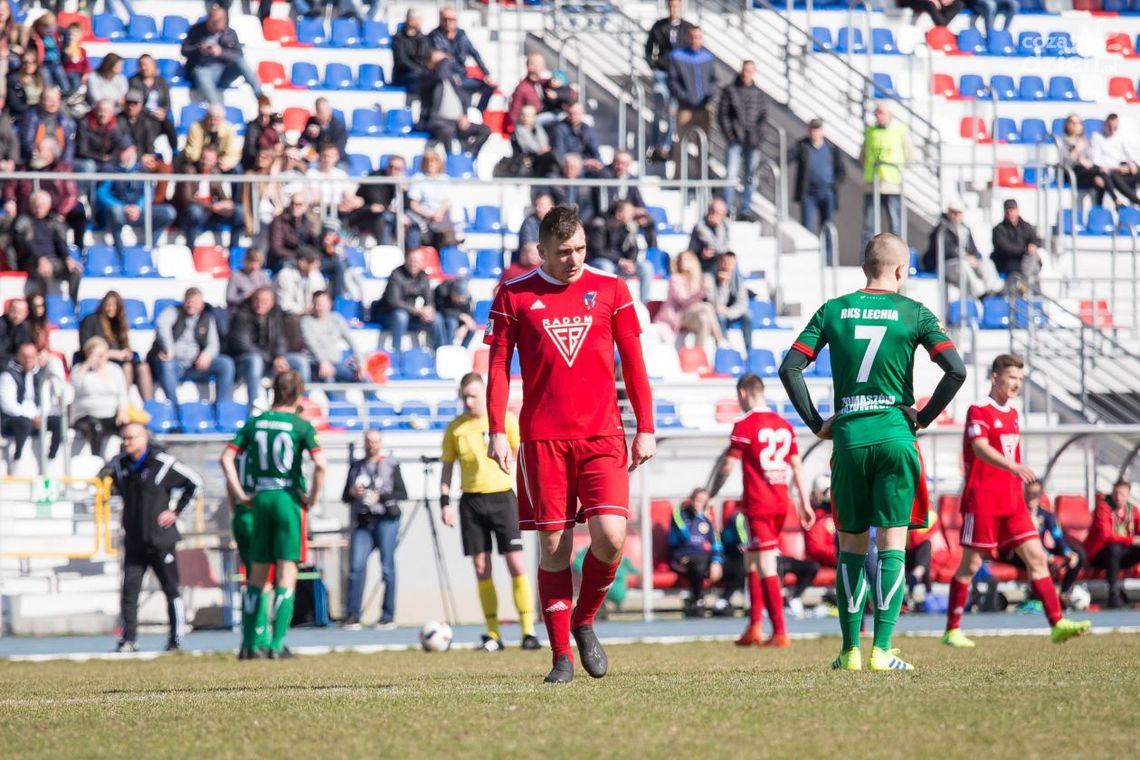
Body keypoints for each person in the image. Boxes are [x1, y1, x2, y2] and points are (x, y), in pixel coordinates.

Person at [779, 233, 969, 671]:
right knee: (892, 545)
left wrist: (817, 423)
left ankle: (850, 651)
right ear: (901, 270)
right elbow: (956, 371)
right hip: (895, 436)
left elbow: (790, 367)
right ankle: (882, 650)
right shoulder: (914, 312)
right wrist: (921, 417)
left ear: (865, 268)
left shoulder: (834, 309)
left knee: (850, 545)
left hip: (849, 438)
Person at [484, 205, 656, 683]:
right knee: (554, 547)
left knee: (612, 536)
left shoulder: (612, 290)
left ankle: (584, 619)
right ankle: (561, 656)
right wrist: (496, 429)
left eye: (580, 248)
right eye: (563, 252)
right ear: (541, 251)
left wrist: (646, 426)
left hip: (603, 435)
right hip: (544, 439)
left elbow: (634, 363)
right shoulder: (514, 294)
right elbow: (498, 366)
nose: (575, 259)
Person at [941, 354, 1091, 648]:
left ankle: (1057, 623)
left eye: (1020, 379)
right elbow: (980, 447)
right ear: (995, 376)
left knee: (1037, 557)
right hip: (983, 501)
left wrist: (1016, 477)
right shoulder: (979, 409)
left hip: (1012, 503)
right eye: (1012, 377)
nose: (1017, 383)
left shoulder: (1012, 413)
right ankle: (952, 629)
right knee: (970, 566)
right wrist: (1012, 466)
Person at [221, 371, 327, 658]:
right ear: (298, 394)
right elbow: (320, 464)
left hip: (259, 499)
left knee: (256, 574)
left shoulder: (255, 423)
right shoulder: (300, 425)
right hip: (287, 498)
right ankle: (276, 644)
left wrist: (241, 495)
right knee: (286, 572)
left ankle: (250, 644)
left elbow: (226, 458)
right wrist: (312, 497)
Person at [709, 374, 812, 647]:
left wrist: (711, 493)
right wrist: (804, 502)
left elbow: (728, 465)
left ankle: (780, 631)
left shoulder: (745, 424)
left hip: (760, 502)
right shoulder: (784, 424)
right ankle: (754, 626)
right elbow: (797, 466)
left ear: (743, 393)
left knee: (765, 562)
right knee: (752, 559)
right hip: (781, 501)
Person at [440, 373, 539, 651]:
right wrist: (445, 503)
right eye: (464, 396)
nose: (468, 401)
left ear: (484, 395)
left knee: (516, 563)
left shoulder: (505, 420)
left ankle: (528, 631)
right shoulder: (456, 428)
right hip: (471, 501)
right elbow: (447, 468)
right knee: (481, 567)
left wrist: (529, 492)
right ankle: (493, 634)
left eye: (473, 396)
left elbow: (521, 456)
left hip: (503, 497)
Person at [109, 423, 202, 653]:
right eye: (124, 438)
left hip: (161, 541)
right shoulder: (120, 465)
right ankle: (129, 639)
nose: (126, 443)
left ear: (144, 439)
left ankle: (176, 639)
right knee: (129, 592)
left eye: (131, 438)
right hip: (134, 541)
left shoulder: (162, 463)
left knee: (171, 590)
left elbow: (194, 483)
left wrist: (176, 512)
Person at [340, 428, 405, 630]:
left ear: (381, 443)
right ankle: (353, 615)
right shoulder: (356, 467)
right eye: (368, 441)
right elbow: (345, 496)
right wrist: (353, 492)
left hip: (386, 520)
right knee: (356, 568)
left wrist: (381, 497)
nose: (371, 445)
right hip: (363, 523)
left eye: (375, 441)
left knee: (387, 568)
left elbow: (402, 493)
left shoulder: (391, 465)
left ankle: (387, 616)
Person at [148, 288, 234, 414]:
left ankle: (221, 408)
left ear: (202, 305)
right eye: (188, 301)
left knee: (226, 364)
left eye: (195, 302)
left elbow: (213, 344)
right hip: (174, 363)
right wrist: (169, 349)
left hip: (195, 365)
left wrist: (206, 354)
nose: (191, 305)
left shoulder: (207, 318)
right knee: (166, 363)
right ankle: (174, 408)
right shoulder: (173, 311)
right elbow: (162, 326)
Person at [1002, 482, 1085, 605]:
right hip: (1018, 552)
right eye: (1028, 493)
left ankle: (1064, 593)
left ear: (1040, 495)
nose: (1031, 497)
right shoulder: (1017, 513)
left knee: (1078, 554)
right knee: (1037, 557)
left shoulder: (1045, 515)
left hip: (1040, 550)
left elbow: (1057, 535)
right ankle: (1038, 596)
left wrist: (1067, 552)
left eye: (1035, 494)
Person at [225, 287, 307, 406]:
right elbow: (243, 345)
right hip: (245, 362)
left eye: (264, 301)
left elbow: (281, 340)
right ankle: (254, 404)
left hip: (271, 360)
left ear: (272, 303)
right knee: (255, 360)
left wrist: (279, 357)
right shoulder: (241, 316)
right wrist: (272, 359)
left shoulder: (276, 317)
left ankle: (302, 402)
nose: (260, 304)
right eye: (257, 300)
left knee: (300, 361)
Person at [370, 247, 446, 372]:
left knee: (437, 319)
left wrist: (428, 311)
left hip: (410, 317)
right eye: (411, 260)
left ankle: (441, 356)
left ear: (421, 262)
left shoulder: (423, 277)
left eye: (417, 261)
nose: (413, 264)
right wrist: (418, 311)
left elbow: (429, 300)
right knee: (401, 316)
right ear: (406, 260)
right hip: (387, 315)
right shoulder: (396, 274)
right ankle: (396, 356)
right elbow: (393, 301)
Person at [96, 143, 179, 256]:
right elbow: (102, 193)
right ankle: (120, 253)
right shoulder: (111, 169)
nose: (122, 153)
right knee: (116, 212)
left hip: (138, 211)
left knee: (168, 212)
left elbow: (148, 193)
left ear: (133, 150)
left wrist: (139, 207)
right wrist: (124, 207)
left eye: (125, 150)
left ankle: (147, 250)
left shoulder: (141, 169)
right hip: (119, 212)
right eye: (120, 149)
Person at [180, 5, 263, 106]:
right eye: (214, 22)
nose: (217, 25)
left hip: (223, 71)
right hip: (203, 69)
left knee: (241, 62)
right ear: (209, 20)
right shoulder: (196, 30)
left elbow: (238, 55)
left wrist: (221, 52)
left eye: (220, 21)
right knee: (201, 73)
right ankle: (217, 107)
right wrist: (199, 49)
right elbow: (184, 51)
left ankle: (261, 97)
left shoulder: (230, 33)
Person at [78, 290, 152, 400]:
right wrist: (111, 354)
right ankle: (123, 403)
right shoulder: (90, 320)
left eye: (114, 305)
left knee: (143, 367)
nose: (111, 308)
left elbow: (123, 346)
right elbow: (86, 346)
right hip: (101, 361)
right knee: (127, 367)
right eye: (108, 305)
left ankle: (150, 404)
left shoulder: (118, 323)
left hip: (120, 361)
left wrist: (127, 354)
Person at [417, 50, 491, 158]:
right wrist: (444, 60)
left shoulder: (451, 80)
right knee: (447, 131)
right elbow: (440, 76)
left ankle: (469, 156)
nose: (445, 64)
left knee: (485, 130)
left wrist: (464, 116)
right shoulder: (428, 78)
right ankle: (451, 160)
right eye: (441, 62)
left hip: (456, 122)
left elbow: (462, 98)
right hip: (438, 123)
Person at [717, 60, 766, 221]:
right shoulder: (730, 90)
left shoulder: (758, 93)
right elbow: (723, 115)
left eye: (750, 71)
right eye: (745, 70)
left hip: (752, 142)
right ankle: (727, 209)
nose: (747, 74)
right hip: (735, 141)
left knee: (751, 177)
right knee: (731, 175)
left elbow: (762, 117)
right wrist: (731, 136)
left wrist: (758, 136)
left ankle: (745, 209)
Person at [645, 0, 692, 162]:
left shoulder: (687, 28)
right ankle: (653, 144)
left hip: (677, 76)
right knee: (659, 110)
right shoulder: (659, 26)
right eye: (671, 6)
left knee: (673, 113)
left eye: (676, 6)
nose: (674, 10)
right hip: (662, 72)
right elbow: (649, 47)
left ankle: (664, 147)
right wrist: (653, 65)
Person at [924, 200, 1003, 298]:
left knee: (987, 263)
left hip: (965, 261)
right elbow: (945, 250)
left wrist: (974, 258)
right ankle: (979, 292)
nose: (956, 215)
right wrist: (964, 257)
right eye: (954, 212)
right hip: (946, 264)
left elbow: (973, 249)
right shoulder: (941, 230)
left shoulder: (965, 229)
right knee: (963, 265)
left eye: (959, 213)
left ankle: (992, 290)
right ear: (948, 212)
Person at [0, 341, 63, 461]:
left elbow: (46, 400)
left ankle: (52, 457)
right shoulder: (8, 375)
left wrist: (40, 416)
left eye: (31, 357)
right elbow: (8, 405)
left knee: (58, 421)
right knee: (24, 423)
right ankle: (17, 457)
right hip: (16, 417)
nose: (28, 360)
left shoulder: (42, 375)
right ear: (18, 356)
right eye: (25, 356)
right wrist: (31, 416)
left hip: (37, 416)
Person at [668, 26, 717, 177]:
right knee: (680, 143)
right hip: (685, 109)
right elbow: (672, 81)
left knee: (703, 144)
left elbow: (713, 80)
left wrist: (709, 96)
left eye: (698, 37)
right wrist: (684, 96)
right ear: (688, 38)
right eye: (693, 37)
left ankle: (702, 178)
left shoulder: (707, 57)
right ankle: (678, 178)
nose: (696, 40)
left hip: (703, 108)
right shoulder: (678, 56)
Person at [792, 118, 845, 260]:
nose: (814, 133)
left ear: (822, 131)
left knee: (827, 226)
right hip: (808, 194)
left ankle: (828, 258)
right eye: (812, 129)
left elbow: (841, 170)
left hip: (827, 193)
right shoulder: (802, 146)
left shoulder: (831, 148)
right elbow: (788, 157)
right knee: (806, 226)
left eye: (817, 129)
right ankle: (807, 258)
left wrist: (834, 184)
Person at [12, 190, 80, 299]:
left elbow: (60, 241)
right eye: (36, 205)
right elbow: (25, 244)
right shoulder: (23, 221)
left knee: (75, 271)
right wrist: (40, 259)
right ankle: (48, 304)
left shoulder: (53, 221)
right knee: (45, 272)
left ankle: (72, 305)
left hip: (54, 260)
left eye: (42, 206)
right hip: (31, 261)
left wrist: (67, 258)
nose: (38, 209)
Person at [668, 487, 724, 617]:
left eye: (702, 501)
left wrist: (716, 561)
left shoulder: (707, 520)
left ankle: (723, 601)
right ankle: (698, 599)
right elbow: (686, 536)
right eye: (696, 499)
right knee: (700, 561)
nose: (697, 503)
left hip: (701, 557)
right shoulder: (680, 514)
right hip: (682, 556)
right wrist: (697, 517)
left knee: (735, 565)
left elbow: (716, 543)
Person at [70, 336, 129, 458]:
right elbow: (73, 386)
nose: (100, 358)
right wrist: (88, 364)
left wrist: (122, 411)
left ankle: (124, 461)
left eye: (102, 355)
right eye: (96, 355)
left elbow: (122, 394)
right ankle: (96, 460)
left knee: (130, 427)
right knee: (95, 427)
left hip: (110, 414)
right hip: (86, 416)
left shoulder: (115, 370)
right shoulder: (79, 370)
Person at [429, 5, 495, 112]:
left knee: (490, 86)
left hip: (463, 77)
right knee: (460, 91)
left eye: (451, 19)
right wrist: (451, 76)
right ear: (440, 19)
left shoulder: (462, 36)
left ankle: (477, 112)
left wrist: (486, 74)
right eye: (445, 19)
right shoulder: (434, 37)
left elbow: (475, 54)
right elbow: (436, 63)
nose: (448, 22)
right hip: (444, 80)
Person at [1085, 479, 1140, 608]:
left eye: (1122, 494)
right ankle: (1113, 592)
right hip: (1100, 555)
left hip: (1121, 555)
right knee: (1114, 548)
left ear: (1128, 495)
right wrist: (1132, 540)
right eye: (1116, 493)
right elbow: (1106, 537)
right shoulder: (1103, 508)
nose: (1118, 497)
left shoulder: (1132, 510)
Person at [586, 199, 654, 303]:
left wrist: (631, 262)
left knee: (646, 267)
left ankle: (645, 304)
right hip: (601, 262)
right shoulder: (600, 224)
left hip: (621, 265)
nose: (633, 215)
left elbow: (633, 249)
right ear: (619, 214)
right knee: (606, 267)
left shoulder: (628, 227)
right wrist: (620, 261)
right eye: (630, 212)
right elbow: (598, 250)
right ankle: (607, 303)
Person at [860, 103, 909, 245]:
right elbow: (863, 155)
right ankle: (867, 256)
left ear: (889, 114)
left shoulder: (899, 130)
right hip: (872, 184)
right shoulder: (870, 131)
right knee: (869, 227)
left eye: (881, 113)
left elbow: (909, 154)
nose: (878, 116)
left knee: (895, 226)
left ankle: (897, 254)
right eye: (876, 113)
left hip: (892, 184)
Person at [176, 145, 244, 246]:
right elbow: (187, 198)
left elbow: (221, 194)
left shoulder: (215, 173)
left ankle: (233, 249)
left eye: (209, 160)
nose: (205, 162)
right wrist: (211, 206)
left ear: (215, 161)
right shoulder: (189, 171)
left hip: (211, 212)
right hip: (195, 211)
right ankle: (190, 248)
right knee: (194, 211)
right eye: (203, 158)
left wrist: (226, 203)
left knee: (239, 212)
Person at [653, 249, 721, 347]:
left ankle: (698, 351)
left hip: (691, 315)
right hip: (678, 315)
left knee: (704, 319)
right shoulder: (675, 279)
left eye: (686, 259)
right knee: (707, 307)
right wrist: (701, 291)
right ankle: (719, 339)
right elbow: (684, 301)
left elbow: (707, 300)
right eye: (681, 259)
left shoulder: (697, 279)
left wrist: (707, 289)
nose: (682, 262)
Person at [300, 290, 365, 383]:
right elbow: (312, 345)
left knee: (363, 378)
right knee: (328, 377)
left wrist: (360, 363)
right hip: (315, 363)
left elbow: (351, 341)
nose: (318, 307)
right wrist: (323, 362)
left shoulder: (336, 319)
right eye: (315, 304)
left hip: (335, 364)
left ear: (329, 304)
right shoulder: (307, 321)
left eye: (321, 304)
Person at [595, 151, 656, 248]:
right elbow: (604, 205)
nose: (620, 166)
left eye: (624, 164)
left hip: (628, 214)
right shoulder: (605, 176)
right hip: (611, 215)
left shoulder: (631, 179)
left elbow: (639, 201)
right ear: (613, 162)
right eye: (617, 163)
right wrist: (627, 211)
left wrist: (642, 212)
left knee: (648, 219)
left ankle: (654, 252)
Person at [407, 150, 464, 248]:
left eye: (434, 161)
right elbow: (413, 204)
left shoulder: (445, 179)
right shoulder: (418, 178)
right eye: (428, 161)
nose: (431, 164)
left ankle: (457, 231)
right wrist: (429, 215)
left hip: (441, 216)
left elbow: (447, 201)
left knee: (455, 201)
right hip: (425, 217)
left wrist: (439, 213)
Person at [350, 156, 407, 246]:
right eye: (391, 166)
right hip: (366, 214)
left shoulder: (405, 182)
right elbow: (378, 204)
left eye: (397, 169)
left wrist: (404, 192)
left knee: (409, 222)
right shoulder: (376, 178)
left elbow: (407, 205)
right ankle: (384, 248)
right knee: (385, 218)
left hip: (391, 215)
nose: (393, 170)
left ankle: (407, 251)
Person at [1059, 114, 1113, 205]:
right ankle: (1114, 200)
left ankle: (1102, 205)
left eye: (1079, 123)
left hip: (1086, 171)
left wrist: (1086, 162)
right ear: (1067, 125)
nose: (1076, 126)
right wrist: (1076, 151)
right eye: (1073, 123)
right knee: (1101, 172)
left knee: (1100, 178)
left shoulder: (1084, 141)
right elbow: (1064, 164)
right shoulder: (1062, 141)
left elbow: (1090, 159)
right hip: (1071, 172)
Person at [991, 199, 1043, 290]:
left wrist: (1033, 245)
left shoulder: (1026, 226)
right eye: (1008, 211)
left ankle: (1029, 289)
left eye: (1012, 210)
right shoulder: (999, 229)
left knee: (1033, 259)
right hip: (1007, 261)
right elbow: (1005, 248)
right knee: (1024, 267)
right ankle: (1025, 288)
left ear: (1017, 210)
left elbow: (1037, 240)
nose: (1010, 213)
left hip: (1026, 260)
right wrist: (1025, 249)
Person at [128, 54, 177, 152]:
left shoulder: (161, 81)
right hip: (142, 116)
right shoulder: (134, 81)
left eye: (146, 65)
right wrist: (151, 113)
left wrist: (163, 111)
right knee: (147, 125)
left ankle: (175, 152)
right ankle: (149, 153)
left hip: (159, 116)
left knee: (169, 124)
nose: (144, 68)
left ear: (153, 65)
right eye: (141, 65)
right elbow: (135, 104)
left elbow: (167, 102)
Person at [1090, 113, 1140, 206]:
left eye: (1115, 128)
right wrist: (1116, 167)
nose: (1112, 130)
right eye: (1110, 127)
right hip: (1108, 172)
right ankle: (1136, 200)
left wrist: (1132, 163)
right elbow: (1096, 160)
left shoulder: (1119, 137)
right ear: (1105, 125)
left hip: (1121, 170)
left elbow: (1128, 152)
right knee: (1111, 176)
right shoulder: (1097, 137)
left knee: (1136, 170)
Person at [18, 87, 75, 164]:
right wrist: (37, 152)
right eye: (49, 100)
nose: (53, 104)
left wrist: (65, 163)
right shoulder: (32, 116)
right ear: (41, 100)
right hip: (38, 156)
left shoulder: (63, 117)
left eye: (56, 100)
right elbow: (27, 141)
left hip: (57, 157)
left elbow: (69, 144)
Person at [708, 251, 751, 352]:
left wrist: (728, 312)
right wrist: (723, 285)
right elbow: (715, 303)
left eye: (730, 263)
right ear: (719, 263)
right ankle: (724, 347)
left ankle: (749, 349)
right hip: (715, 313)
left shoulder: (739, 281)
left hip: (730, 312)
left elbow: (742, 304)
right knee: (720, 316)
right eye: (724, 262)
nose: (726, 266)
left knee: (748, 316)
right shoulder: (710, 278)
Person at [183, 104, 243, 174]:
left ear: (222, 120)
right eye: (210, 119)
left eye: (216, 120)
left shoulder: (229, 129)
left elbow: (233, 153)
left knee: (237, 169)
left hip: (219, 162)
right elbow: (191, 153)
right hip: (199, 161)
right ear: (206, 118)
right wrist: (206, 160)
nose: (213, 122)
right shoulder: (196, 127)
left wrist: (224, 162)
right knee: (188, 170)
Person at [268, 194, 321, 271]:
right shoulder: (279, 221)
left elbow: (314, 244)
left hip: (304, 259)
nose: (295, 207)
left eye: (299, 204)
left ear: (305, 207)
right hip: (283, 259)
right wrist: (298, 256)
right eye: (292, 203)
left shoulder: (308, 222)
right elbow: (276, 249)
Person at [548, 102, 603, 174]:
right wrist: (583, 163)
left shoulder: (586, 128)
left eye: (576, 113)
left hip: (587, 165)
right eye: (570, 113)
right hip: (569, 166)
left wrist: (597, 162)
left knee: (604, 173)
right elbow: (560, 153)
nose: (573, 116)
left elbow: (595, 149)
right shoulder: (559, 128)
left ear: (583, 113)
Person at [507, 53, 549, 134]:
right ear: (529, 66)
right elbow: (514, 114)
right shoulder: (522, 88)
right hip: (530, 126)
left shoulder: (543, 83)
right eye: (539, 63)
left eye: (543, 63)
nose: (543, 66)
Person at [391, 8, 431, 92]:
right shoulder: (399, 38)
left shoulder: (423, 38)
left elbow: (425, 57)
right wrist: (419, 70)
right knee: (420, 81)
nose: (421, 22)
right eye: (418, 19)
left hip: (420, 73)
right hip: (403, 75)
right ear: (410, 20)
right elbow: (401, 61)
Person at [687, 198, 730, 273]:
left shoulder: (724, 226)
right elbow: (716, 246)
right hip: (700, 264)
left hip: (718, 262)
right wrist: (718, 226)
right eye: (712, 211)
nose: (714, 214)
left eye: (719, 213)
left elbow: (725, 247)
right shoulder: (700, 226)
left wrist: (718, 226)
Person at [433, 277, 476, 347]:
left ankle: (463, 350)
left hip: (458, 317)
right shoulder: (442, 291)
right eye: (459, 298)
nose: (460, 300)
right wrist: (461, 316)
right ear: (453, 293)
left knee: (472, 327)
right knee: (452, 323)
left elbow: (469, 313)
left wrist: (465, 326)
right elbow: (441, 310)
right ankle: (447, 348)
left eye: (463, 298)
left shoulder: (466, 296)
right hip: (443, 316)